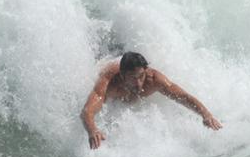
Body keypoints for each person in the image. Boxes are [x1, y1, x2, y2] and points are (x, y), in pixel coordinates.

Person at [80, 52, 222, 149]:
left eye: (141, 76)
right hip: (106, 59)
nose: (138, 83)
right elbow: (87, 111)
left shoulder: (154, 80)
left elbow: (183, 97)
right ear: (123, 75)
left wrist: (205, 114)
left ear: (146, 71)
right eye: (133, 78)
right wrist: (92, 130)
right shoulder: (109, 82)